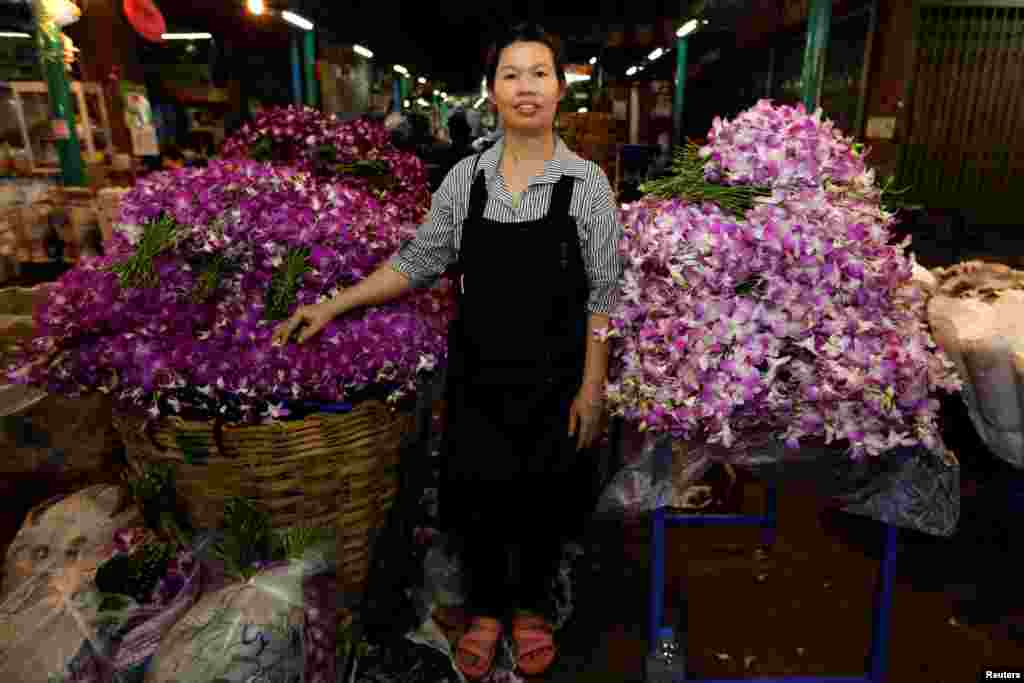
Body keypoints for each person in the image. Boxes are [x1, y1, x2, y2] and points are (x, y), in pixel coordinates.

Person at [272, 22, 623, 680]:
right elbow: (418, 260)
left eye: (539, 73)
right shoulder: (466, 181)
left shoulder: (589, 185)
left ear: (560, 88)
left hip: (557, 374)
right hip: (480, 373)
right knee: (481, 489)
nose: (526, 87)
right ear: (492, 90)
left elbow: (604, 292)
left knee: (546, 492)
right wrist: (336, 302)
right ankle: (487, 608)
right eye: (512, 74)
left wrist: (593, 383)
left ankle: (530, 608)